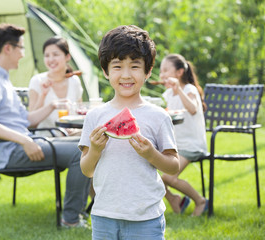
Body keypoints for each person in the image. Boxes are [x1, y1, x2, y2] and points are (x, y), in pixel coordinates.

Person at [0, 23, 90, 228]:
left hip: (25, 142)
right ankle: (71, 219)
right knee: (81, 153)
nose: (23, 54)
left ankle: (87, 209)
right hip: (11, 153)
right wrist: (25, 140)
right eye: (21, 48)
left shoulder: (2, 79)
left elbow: (26, 121)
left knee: (86, 141)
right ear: (8, 48)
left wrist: (50, 105)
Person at [79, 25, 180, 240]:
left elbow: (173, 166)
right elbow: (87, 170)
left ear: (148, 70)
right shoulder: (95, 117)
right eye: (117, 66)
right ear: (106, 71)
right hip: (104, 215)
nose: (126, 75)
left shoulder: (159, 116)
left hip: (146, 217)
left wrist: (152, 155)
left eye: (135, 66)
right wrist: (95, 150)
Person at [160, 53, 208, 216]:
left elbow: (193, 108)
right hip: (176, 145)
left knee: (168, 178)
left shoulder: (189, 89)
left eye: (166, 70)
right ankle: (175, 200)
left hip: (191, 145)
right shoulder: (167, 95)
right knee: (152, 175)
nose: (162, 75)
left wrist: (178, 89)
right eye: (161, 71)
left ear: (179, 72)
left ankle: (200, 201)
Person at [28, 36, 83, 135]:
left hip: (71, 136)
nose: (51, 59)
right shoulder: (37, 81)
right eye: (47, 55)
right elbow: (31, 123)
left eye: (55, 54)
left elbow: (79, 112)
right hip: (47, 139)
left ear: (67, 57)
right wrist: (43, 95)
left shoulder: (74, 81)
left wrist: (74, 129)